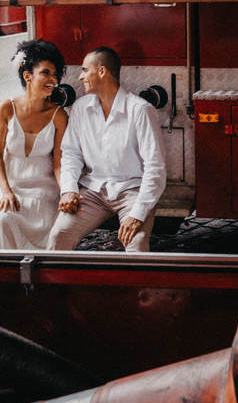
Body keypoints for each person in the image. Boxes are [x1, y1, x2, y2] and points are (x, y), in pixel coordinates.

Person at [48, 46, 165, 252]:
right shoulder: (80, 108)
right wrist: (68, 190)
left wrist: (137, 214)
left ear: (102, 72)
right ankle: (59, 285)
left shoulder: (140, 110)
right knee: (59, 235)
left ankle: (137, 285)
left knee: (135, 244)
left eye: (85, 70)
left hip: (132, 191)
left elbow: (155, 167)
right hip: (94, 191)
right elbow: (71, 154)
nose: (80, 76)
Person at [0, 39, 68, 250]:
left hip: (44, 193)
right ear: (27, 76)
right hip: (12, 188)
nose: (53, 79)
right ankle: (3, 276)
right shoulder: (7, 108)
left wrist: (66, 191)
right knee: (4, 219)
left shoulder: (59, 115)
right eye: (46, 73)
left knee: (52, 228)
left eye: (55, 75)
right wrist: (6, 191)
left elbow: (59, 162)